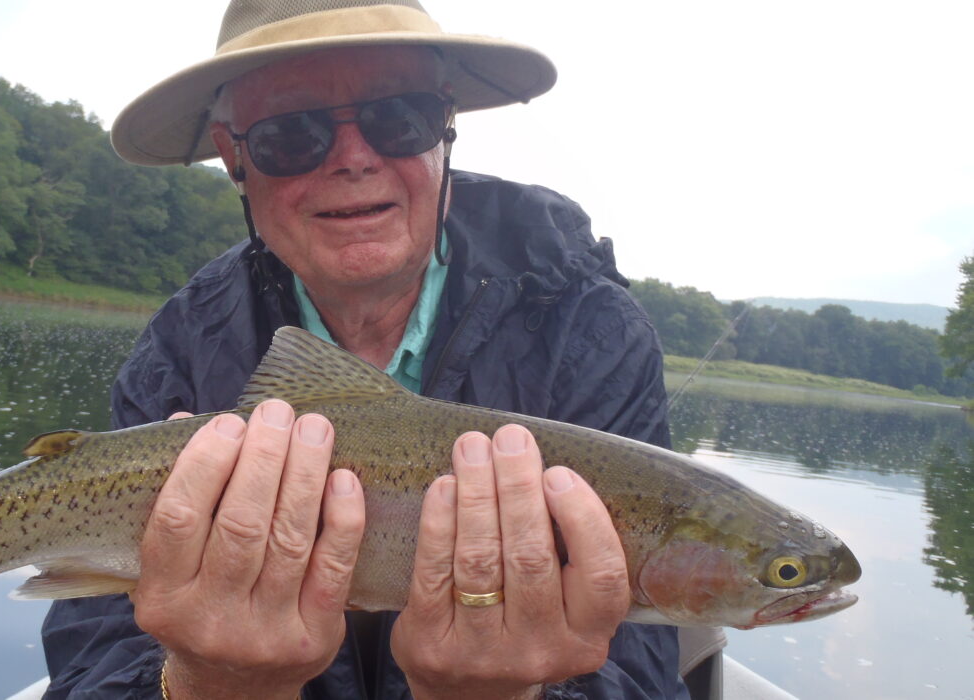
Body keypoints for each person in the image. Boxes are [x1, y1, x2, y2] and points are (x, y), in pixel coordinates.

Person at [42, 1, 708, 698]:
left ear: (444, 128)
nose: (354, 159)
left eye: (399, 118)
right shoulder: (181, 347)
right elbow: (92, 665)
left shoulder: (590, 331)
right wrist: (207, 684)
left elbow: (640, 674)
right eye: (291, 134)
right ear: (235, 158)